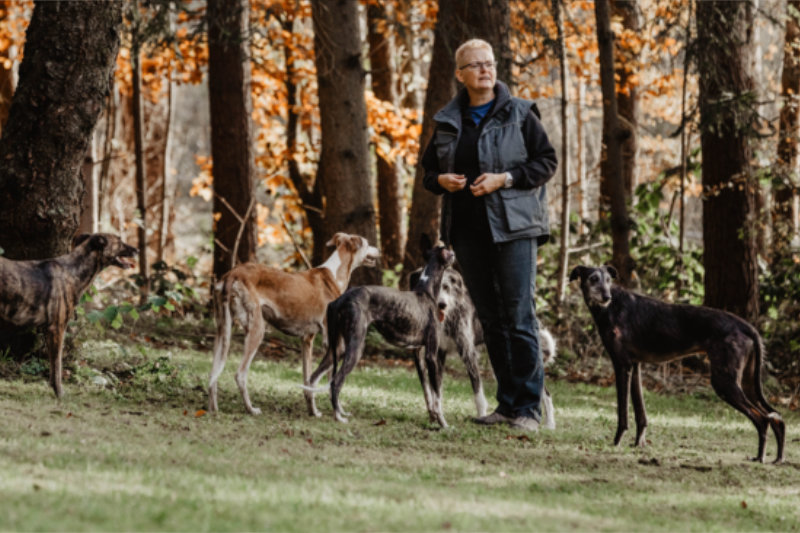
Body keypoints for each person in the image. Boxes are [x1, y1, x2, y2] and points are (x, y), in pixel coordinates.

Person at [422, 38, 557, 432]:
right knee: (493, 321)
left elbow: (546, 161)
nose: (485, 69)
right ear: (460, 74)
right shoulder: (448, 121)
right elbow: (429, 172)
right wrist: (441, 180)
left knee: (520, 317)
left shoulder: (520, 113)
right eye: (476, 65)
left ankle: (529, 410)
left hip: (515, 230)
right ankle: (507, 405)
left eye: (490, 63)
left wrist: (506, 178)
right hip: (467, 233)